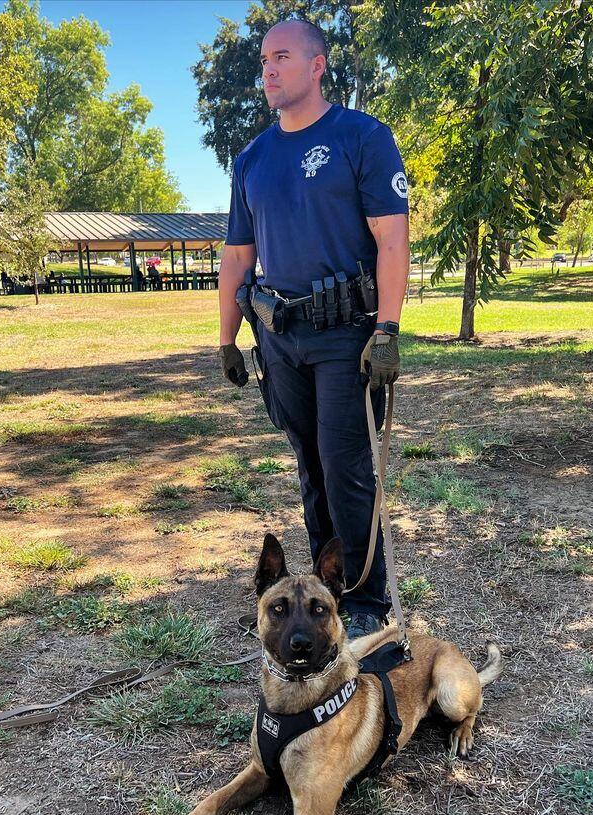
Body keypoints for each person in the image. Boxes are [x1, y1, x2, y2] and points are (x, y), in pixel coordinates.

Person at [217, 19, 410, 639]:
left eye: (282, 57)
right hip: (279, 334)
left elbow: (392, 239)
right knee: (310, 463)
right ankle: (328, 591)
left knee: (345, 464)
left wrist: (387, 328)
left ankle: (368, 603)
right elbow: (239, 257)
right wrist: (225, 337)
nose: (268, 70)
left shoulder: (362, 137)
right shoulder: (251, 158)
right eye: (264, 60)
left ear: (318, 65)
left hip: (345, 334)